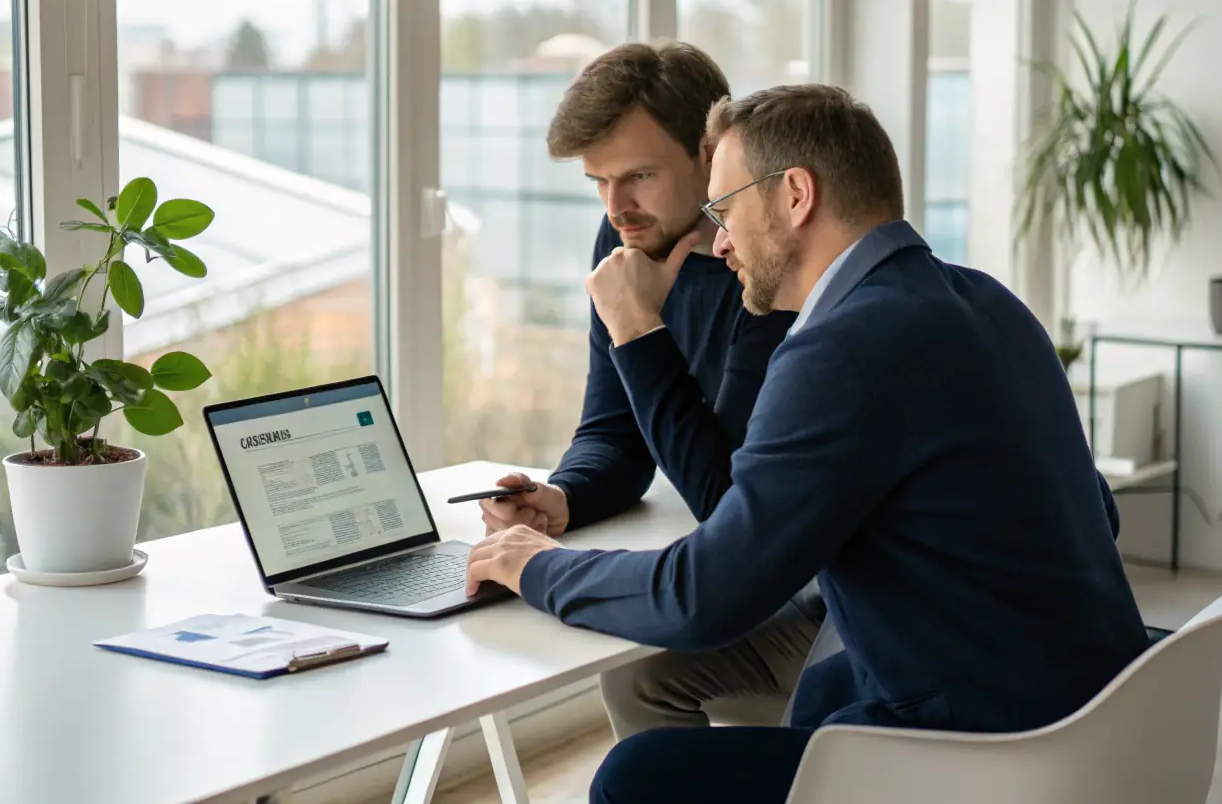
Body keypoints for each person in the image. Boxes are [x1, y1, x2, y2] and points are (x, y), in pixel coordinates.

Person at [464, 83, 1150, 804]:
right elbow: (1095, 513)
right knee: (822, 685)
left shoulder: (842, 347)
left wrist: (536, 567)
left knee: (637, 777)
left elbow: (706, 595)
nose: (720, 241)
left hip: (989, 758)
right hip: (1098, 719)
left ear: (794, 195)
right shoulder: (985, 301)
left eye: (725, 211)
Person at [477, 40, 822, 740]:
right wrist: (563, 498)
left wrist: (635, 326)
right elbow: (614, 430)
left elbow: (727, 502)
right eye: (598, 182)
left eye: (637, 175)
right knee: (631, 670)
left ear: (709, 153)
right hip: (765, 567)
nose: (617, 208)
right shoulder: (627, 238)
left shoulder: (769, 259)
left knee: (652, 649)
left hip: (823, 589)